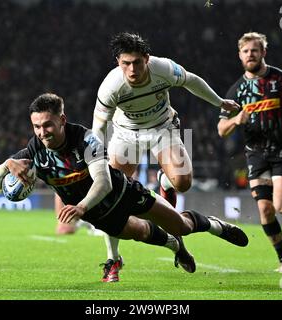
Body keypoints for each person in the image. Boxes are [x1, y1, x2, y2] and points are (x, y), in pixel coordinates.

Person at [0, 93, 248, 280]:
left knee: (182, 226)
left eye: (48, 125)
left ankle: (216, 226)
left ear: (62, 120)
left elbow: (104, 181)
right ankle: (175, 248)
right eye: (37, 127)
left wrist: (80, 207)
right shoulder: (34, 152)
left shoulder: (85, 140)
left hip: (124, 194)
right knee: (143, 233)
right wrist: (8, 164)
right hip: (97, 215)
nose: (42, 133)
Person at [88, 32, 240, 281]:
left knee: (183, 183)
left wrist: (219, 102)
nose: (132, 69)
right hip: (126, 135)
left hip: (162, 128)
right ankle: (112, 259)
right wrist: (96, 160)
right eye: (126, 63)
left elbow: (191, 81)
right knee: (111, 195)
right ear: (118, 62)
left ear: (147, 59)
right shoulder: (111, 86)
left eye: (137, 62)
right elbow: (98, 127)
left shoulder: (163, 68)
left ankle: (165, 180)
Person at [217, 32, 282, 273]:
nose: (250, 54)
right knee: (265, 208)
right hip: (256, 154)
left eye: (255, 50)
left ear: (263, 52)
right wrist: (235, 120)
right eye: (246, 51)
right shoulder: (236, 91)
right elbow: (221, 129)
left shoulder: (281, 79)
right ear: (239, 56)